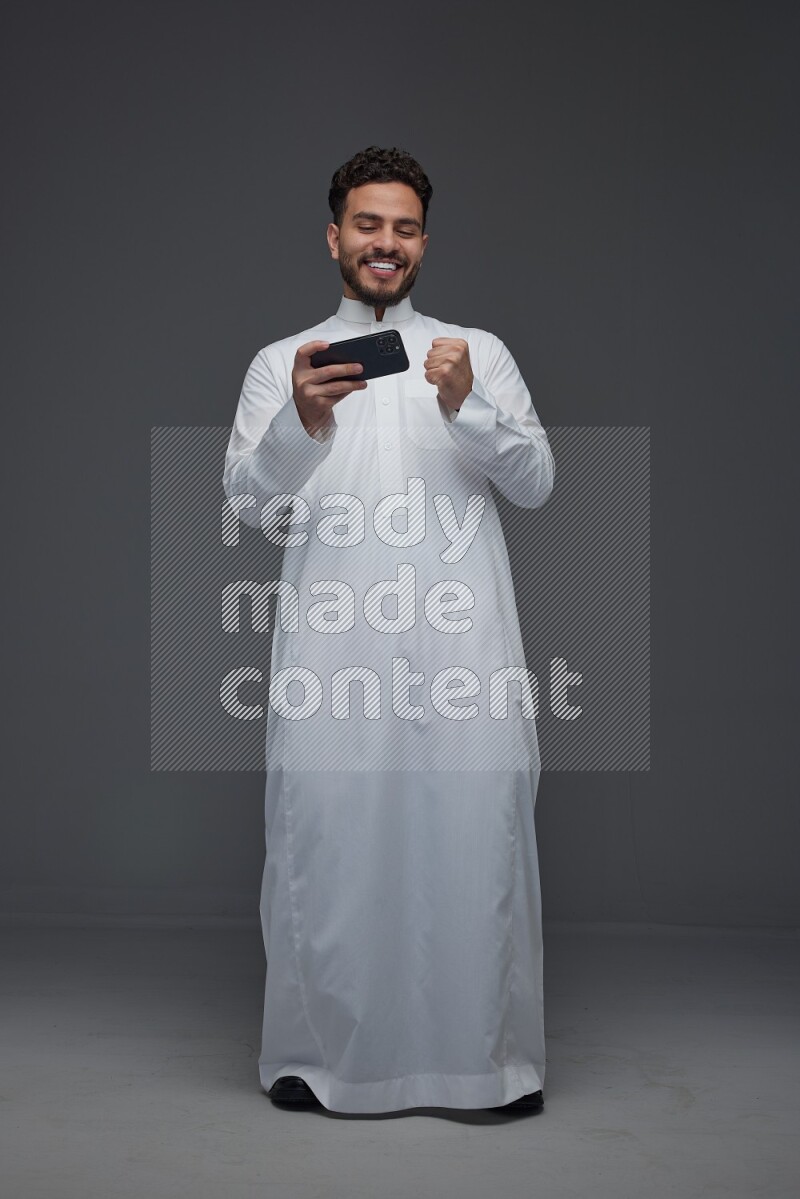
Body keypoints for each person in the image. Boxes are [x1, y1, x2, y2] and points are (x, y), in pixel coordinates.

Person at [222, 146, 555, 1114]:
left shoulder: (473, 351)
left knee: (472, 838)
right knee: (326, 839)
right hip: (335, 651)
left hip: (461, 652)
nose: (385, 243)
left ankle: (485, 1065)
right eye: (367, 224)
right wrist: (300, 420)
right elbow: (247, 502)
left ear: (422, 242)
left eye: (403, 227)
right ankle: (314, 1056)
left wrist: (467, 407)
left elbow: (533, 481)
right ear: (334, 236)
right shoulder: (283, 363)